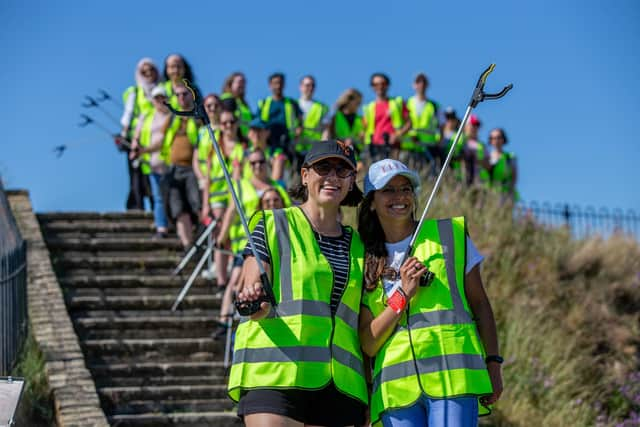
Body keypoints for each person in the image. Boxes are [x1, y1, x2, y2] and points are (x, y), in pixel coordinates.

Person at [229, 140, 368, 426]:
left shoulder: (359, 244)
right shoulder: (272, 223)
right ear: (305, 176)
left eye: (343, 171)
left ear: (352, 181)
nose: (332, 177)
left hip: (340, 384)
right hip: (275, 373)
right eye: (324, 168)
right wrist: (254, 301)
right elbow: (254, 287)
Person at [357, 159, 503, 426]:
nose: (400, 196)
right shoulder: (361, 257)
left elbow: (480, 304)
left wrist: (493, 362)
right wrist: (403, 295)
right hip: (395, 388)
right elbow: (368, 342)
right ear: (371, 201)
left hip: (454, 378)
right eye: (388, 190)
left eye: (406, 188)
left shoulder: (450, 235)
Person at [213, 148, 291, 340]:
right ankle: (225, 320)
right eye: (253, 163)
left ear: (267, 164)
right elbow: (231, 211)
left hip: (277, 245)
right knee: (237, 279)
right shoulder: (241, 185)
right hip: (247, 245)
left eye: (261, 162)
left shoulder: (278, 187)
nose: (258, 166)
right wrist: (222, 237)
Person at [201, 110, 245, 289]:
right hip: (217, 196)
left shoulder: (242, 148)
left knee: (230, 234)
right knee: (220, 236)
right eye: (225, 122)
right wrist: (205, 204)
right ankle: (221, 278)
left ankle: (229, 275)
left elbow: (239, 175)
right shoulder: (214, 146)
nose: (228, 126)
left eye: (232, 122)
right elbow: (208, 177)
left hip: (235, 196)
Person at [161, 84, 201, 248]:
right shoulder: (171, 118)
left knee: (196, 204)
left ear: (191, 95)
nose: (181, 98)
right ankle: (188, 245)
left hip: (193, 168)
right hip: (173, 169)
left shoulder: (198, 117)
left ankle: (201, 237)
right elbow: (161, 141)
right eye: (177, 95)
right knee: (178, 208)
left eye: (185, 94)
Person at [130, 85, 171, 238]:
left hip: (169, 162)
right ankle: (161, 227)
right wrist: (135, 147)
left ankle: (168, 224)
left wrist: (143, 150)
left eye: (162, 97)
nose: (160, 101)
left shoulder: (172, 116)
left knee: (170, 197)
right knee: (158, 196)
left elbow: (161, 140)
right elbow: (137, 134)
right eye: (156, 98)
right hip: (152, 163)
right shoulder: (147, 116)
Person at [120, 58, 159, 211]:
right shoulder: (135, 92)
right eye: (144, 71)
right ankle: (136, 206)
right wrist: (125, 134)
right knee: (137, 175)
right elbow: (128, 114)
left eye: (151, 70)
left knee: (154, 176)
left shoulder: (162, 90)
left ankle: (157, 208)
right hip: (137, 140)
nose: (148, 73)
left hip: (157, 138)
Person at [363, 73, 411, 162]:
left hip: (394, 146)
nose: (380, 87)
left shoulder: (397, 103)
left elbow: (409, 123)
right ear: (372, 87)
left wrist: (397, 135)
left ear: (388, 85)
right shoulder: (369, 107)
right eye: (376, 84)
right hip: (374, 146)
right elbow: (364, 128)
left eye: (383, 83)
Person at [257, 72, 303, 165]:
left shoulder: (291, 103)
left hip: (287, 143)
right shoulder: (264, 103)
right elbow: (257, 123)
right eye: (275, 83)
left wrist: (295, 138)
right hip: (268, 144)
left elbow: (300, 123)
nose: (278, 86)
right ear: (270, 85)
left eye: (280, 83)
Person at [405, 73, 442, 171]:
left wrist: (439, 141)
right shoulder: (407, 103)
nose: (421, 84)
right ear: (414, 85)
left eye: (424, 82)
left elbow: (441, 125)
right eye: (418, 81)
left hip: (429, 147)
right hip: (410, 147)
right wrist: (411, 135)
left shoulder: (434, 106)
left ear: (427, 85)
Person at [325, 88, 365, 167]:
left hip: (357, 159)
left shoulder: (360, 119)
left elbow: (363, 140)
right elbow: (329, 138)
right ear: (349, 100)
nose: (359, 105)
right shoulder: (335, 118)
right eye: (358, 102)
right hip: (338, 157)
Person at [296, 75, 330, 164]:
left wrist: (323, 149)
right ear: (301, 87)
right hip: (296, 149)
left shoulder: (322, 107)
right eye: (307, 85)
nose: (310, 88)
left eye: (312, 85)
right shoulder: (293, 105)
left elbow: (326, 130)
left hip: (315, 150)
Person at [246, 118, 287, 184]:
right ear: (248, 134)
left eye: (259, 130)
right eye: (253, 130)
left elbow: (276, 180)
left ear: (268, 132)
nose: (256, 134)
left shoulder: (277, 153)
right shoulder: (244, 153)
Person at [195, 94, 222, 189]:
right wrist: (202, 178)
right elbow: (195, 159)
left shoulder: (227, 129)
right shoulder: (201, 132)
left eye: (216, 105)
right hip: (205, 180)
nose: (213, 108)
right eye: (209, 106)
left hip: (223, 181)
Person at [483, 128, 518, 200]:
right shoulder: (487, 156)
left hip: (506, 193)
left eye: (499, 137)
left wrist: (510, 192)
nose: (496, 140)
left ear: (503, 139)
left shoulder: (510, 157)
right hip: (490, 193)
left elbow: (514, 177)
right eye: (493, 138)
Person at [221, 72, 252, 138]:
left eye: (244, 82)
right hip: (236, 138)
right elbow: (229, 121)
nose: (242, 85)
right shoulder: (228, 99)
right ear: (230, 84)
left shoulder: (242, 103)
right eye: (240, 82)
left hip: (245, 139)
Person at [462, 114, 489, 186]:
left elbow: (487, 164)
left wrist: (477, 160)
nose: (475, 128)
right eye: (472, 125)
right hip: (461, 178)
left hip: (478, 181)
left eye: (477, 125)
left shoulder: (482, 145)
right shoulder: (460, 141)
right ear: (465, 125)